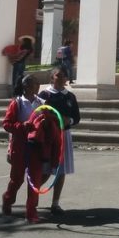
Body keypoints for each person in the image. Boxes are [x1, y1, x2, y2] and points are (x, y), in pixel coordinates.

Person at [1, 74, 49, 223]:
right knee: (17, 179)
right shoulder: (17, 103)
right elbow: (7, 124)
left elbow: (49, 124)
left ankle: (31, 212)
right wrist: (22, 126)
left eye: (38, 83)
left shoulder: (42, 103)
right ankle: (8, 199)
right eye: (35, 83)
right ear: (26, 86)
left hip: (36, 147)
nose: (38, 85)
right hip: (20, 146)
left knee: (34, 180)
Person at [39, 68, 80, 215]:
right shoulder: (45, 95)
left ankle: (55, 203)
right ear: (52, 78)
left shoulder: (70, 96)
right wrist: (53, 119)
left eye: (64, 76)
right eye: (58, 76)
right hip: (48, 136)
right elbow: (38, 112)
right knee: (46, 169)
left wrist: (69, 119)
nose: (62, 78)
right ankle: (34, 194)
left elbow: (77, 117)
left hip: (64, 135)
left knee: (61, 170)